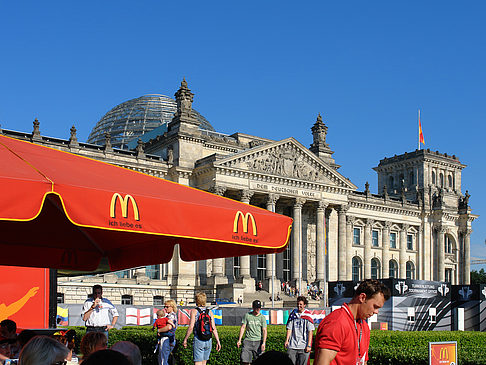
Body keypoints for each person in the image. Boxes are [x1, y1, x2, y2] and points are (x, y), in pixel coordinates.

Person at [314, 279, 391, 365]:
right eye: (375, 306)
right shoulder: (336, 322)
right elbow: (322, 362)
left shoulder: (364, 326)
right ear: (362, 297)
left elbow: (363, 361)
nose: (376, 312)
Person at [182, 292, 221, 365]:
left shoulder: (194, 311)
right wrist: (218, 341)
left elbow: (191, 327)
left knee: (198, 363)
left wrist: (185, 339)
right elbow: (213, 328)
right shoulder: (209, 312)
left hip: (198, 339)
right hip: (208, 339)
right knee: (204, 362)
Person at [284, 296, 314, 365]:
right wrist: (287, 340)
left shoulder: (308, 316)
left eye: (300, 304)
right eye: (298, 304)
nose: (299, 306)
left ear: (304, 305)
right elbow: (289, 328)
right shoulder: (293, 314)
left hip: (303, 346)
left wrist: (309, 345)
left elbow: (310, 331)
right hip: (292, 345)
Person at [237, 300, 267, 365]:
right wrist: (239, 340)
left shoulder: (262, 317)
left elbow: (264, 330)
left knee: (259, 361)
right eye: (257, 308)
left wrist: (264, 343)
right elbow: (243, 327)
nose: (258, 309)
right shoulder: (247, 316)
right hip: (248, 341)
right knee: (245, 361)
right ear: (253, 307)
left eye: (259, 308)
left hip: (258, 341)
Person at [155, 300, 178, 365]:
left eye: (167, 307)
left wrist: (159, 330)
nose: (165, 308)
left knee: (163, 360)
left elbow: (168, 327)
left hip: (166, 339)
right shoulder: (170, 315)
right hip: (168, 339)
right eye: (164, 306)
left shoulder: (171, 316)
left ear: (172, 307)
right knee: (163, 359)